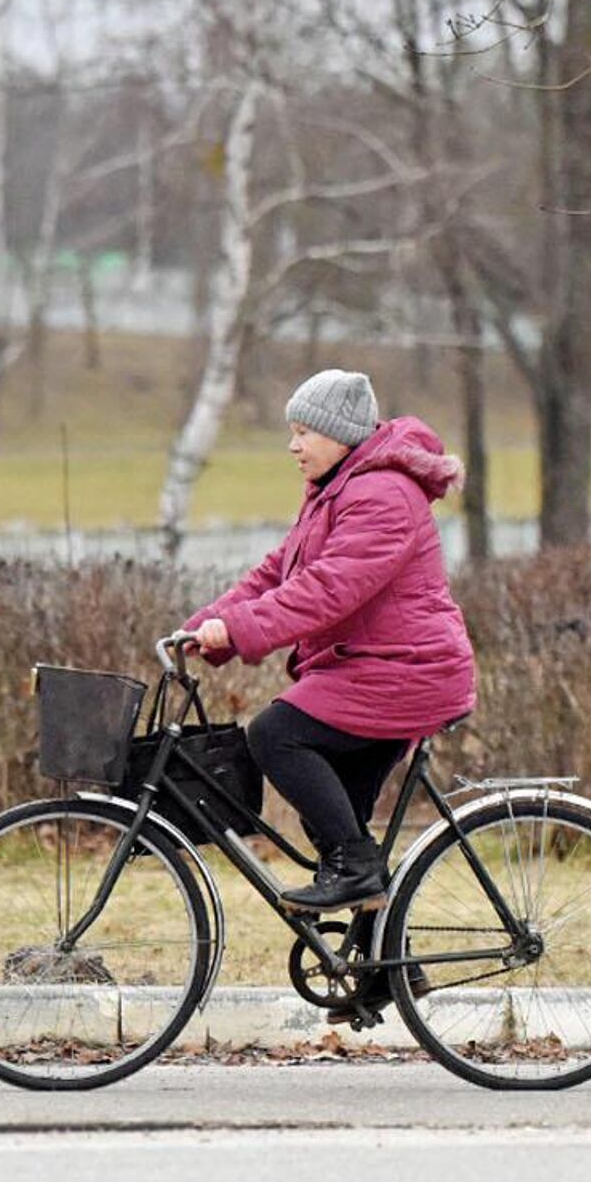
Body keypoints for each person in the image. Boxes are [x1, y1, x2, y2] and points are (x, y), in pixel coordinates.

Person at [182, 367, 475, 915]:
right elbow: (278, 572)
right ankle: (378, 949)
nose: (293, 446)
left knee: (275, 735)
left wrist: (241, 630)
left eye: (303, 432)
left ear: (341, 435)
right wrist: (205, 626)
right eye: (292, 432)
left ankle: (358, 872)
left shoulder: (383, 494)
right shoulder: (335, 490)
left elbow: (327, 589)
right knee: (337, 822)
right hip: (375, 666)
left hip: (408, 671)